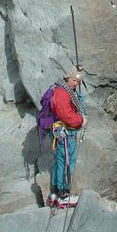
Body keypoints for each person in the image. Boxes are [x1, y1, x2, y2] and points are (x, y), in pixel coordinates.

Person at [49, 68, 88, 209]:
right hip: (65, 132)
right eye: (73, 80)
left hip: (61, 131)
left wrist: (78, 71)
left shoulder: (62, 90)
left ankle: (55, 192)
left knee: (60, 160)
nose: (75, 84)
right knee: (66, 161)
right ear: (67, 79)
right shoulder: (62, 93)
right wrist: (80, 120)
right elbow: (66, 115)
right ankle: (63, 194)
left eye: (78, 81)